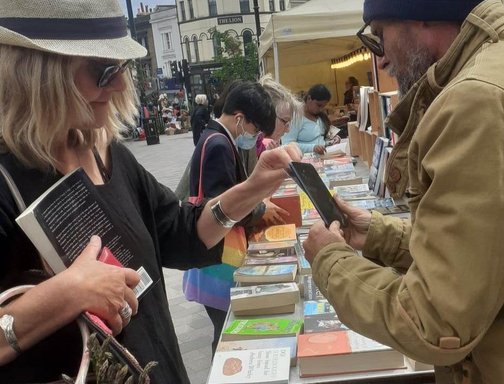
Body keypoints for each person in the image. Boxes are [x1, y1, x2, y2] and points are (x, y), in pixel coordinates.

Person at [302, 0, 504, 383]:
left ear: (418, 13)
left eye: (380, 37)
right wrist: (379, 235)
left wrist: (330, 261)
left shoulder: (480, 99)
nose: (384, 58)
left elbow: (434, 322)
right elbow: (493, 247)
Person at [0, 1, 301, 383]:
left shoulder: (111, 156)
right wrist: (68, 293)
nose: (121, 84)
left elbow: (180, 231)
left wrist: (251, 189)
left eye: (121, 68)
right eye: (103, 69)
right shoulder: (8, 181)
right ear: (36, 73)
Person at [182, 81, 291, 356]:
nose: (254, 137)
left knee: (225, 327)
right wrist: (258, 208)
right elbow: (222, 208)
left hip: (214, 254)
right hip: (216, 259)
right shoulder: (219, 143)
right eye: (255, 130)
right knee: (225, 331)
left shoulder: (215, 137)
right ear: (240, 119)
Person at [282, 84, 339, 155]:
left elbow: (321, 137)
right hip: (305, 160)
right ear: (309, 98)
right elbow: (287, 144)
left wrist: (332, 139)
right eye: (318, 105)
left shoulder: (319, 117)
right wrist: (313, 147)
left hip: (324, 156)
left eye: (323, 106)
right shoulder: (296, 118)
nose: (321, 109)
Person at [256, 75, 303, 158]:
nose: (287, 130)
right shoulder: (255, 148)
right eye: (285, 121)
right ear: (268, 115)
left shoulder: (270, 144)